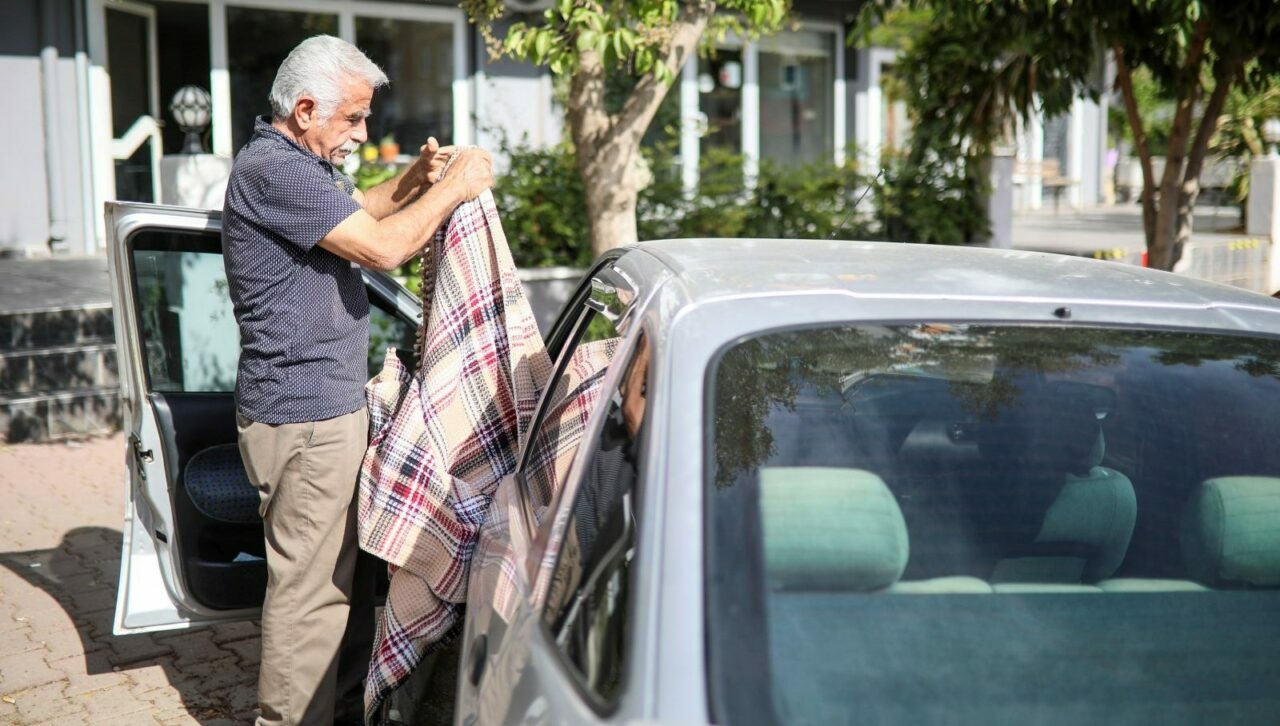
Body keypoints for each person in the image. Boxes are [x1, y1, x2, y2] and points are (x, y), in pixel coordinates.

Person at [221, 34, 493, 726]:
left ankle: (339, 712)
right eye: (354, 118)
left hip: (323, 414)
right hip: (305, 420)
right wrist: (458, 187)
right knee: (310, 598)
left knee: (341, 586)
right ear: (306, 109)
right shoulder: (270, 170)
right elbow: (383, 248)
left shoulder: (296, 164)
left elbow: (361, 213)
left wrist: (413, 183)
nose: (364, 132)